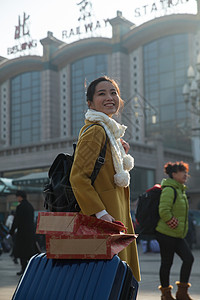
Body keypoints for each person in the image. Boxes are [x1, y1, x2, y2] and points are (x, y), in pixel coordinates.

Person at [70, 76, 141, 283]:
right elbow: (78, 177)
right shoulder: (96, 131)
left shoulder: (110, 134)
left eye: (113, 92)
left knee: (116, 281)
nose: (110, 97)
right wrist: (100, 213)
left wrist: (118, 150)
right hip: (105, 219)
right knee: (110, 283)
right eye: (102, 93)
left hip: (114, 216)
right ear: (90, 103)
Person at [155, 161, 194, 300]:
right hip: (165, 233)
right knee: (167, 263)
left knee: (189, 258)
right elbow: (164, 211)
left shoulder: (180, 190)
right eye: (182, 171)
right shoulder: (169, 189)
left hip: (177, 234)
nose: (185, 174)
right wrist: (174, 223)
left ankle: (182, 293)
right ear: (173, 174)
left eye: (186, 172)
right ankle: (166, 294)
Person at [10, 191, 37, 275]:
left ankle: (24, 269)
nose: (17, 199)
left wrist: (11, 231)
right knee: (29, 252)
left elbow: (16, 220)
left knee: (22, 253)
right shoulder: (30, 206)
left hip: (22, 233)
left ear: (20, 197)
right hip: (30, 232)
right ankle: (31, 269)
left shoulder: (20, 207)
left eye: (17, 197)